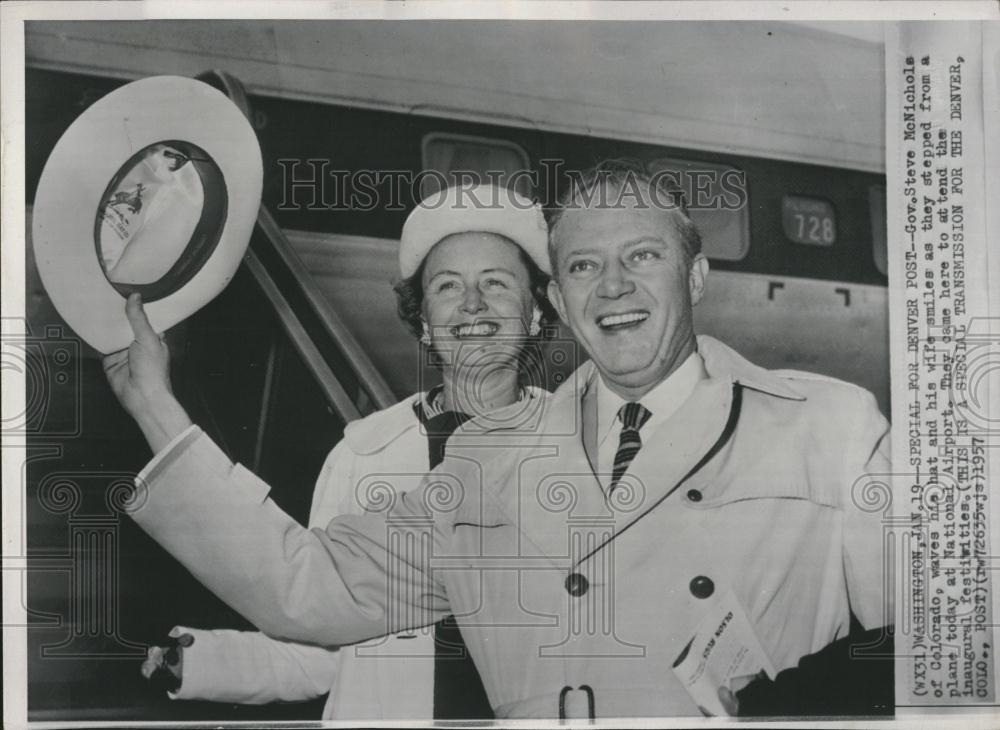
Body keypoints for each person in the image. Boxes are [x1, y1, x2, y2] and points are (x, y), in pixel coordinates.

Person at [108, 162, 892, 719]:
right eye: (584, 265)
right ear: (562, 296)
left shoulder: (831, 427)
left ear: (695, 278)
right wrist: (153, 403)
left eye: (642, 257)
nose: (612, 286)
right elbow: (307, 587)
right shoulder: (488, 458)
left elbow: (942, 644)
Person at [120, 183, 557, 720]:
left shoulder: (582, 446)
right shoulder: (365, 454)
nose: (472, 303)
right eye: (447, 287)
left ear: (537, 311)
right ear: (423, 321)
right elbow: (323, 631)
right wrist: (206, 662)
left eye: (496, 282)